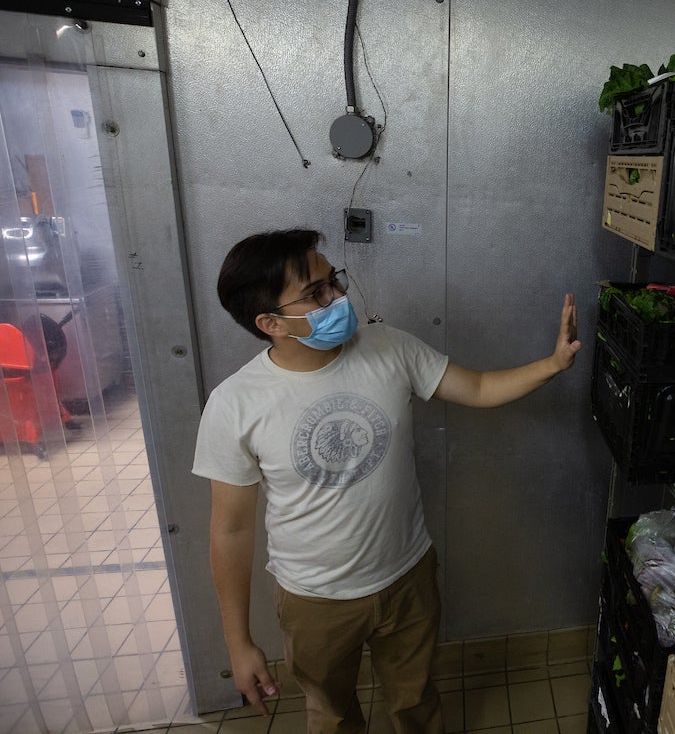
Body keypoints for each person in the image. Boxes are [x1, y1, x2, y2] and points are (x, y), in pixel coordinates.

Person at [191, 229, 582, 734]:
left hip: (407, 577)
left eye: (334, 280)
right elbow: (230, 530)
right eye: (316, 293)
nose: (338, 297)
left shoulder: (389, 346)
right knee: (331, 715)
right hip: (315, 600)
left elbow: (480, 387)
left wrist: (554, 364)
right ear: (271, 323)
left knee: (415, 701)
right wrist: (238, 641)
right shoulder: (234, 404)